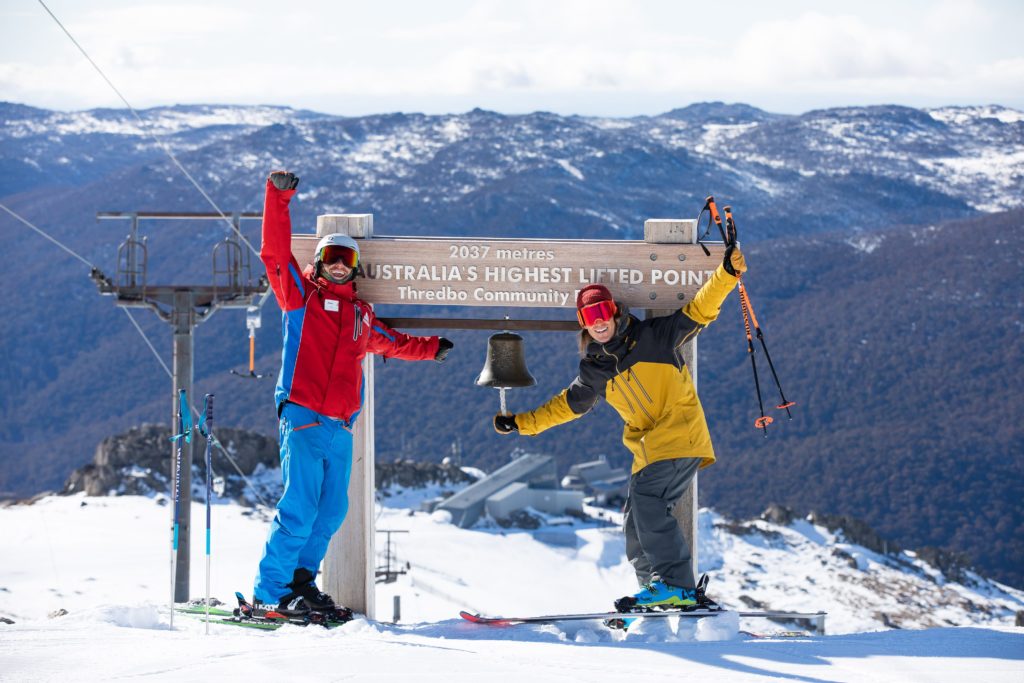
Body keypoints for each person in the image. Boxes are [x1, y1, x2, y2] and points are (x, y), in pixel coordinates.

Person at [493, 243, 747, 616]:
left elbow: (700, 311)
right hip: (649, 449)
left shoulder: (653, 337)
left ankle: (676, 587)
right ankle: (654, 592)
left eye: (601, 310)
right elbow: (568, 405)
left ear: (613, 311)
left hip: (679, 435)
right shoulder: (594, 368)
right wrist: (521, 423)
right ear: (583, 322)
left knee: (648, 501)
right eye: (588, 314)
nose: (597, 320)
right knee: (634, 522)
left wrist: (727, 274)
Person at [254, 170, 454, 618]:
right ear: (321, 261)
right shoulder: (298, 297)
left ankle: (301, 583)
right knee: (300, 509)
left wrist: (431, 349)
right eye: (332, 256)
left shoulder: (361, 317)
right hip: (304, 416)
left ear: (355, 265)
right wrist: (278, 197)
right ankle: (270, 591)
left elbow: (394, 342)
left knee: (331, 513)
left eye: (346, 257)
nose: (339, 263)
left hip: (340, 426)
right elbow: (273, 253)